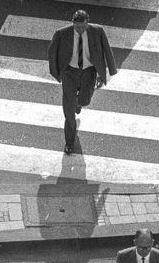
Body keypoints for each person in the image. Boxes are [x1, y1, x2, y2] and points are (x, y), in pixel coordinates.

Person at [47, 9, 117, 154]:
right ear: (73, 23)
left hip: (89, 72)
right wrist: (56, 72)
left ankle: (78, 104)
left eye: (84, 27)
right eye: (78, 27)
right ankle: (69, 142)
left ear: (88, 23)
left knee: (85, 100)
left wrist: (105, 73)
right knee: (68, 110)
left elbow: (106, 50)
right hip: (69, 72)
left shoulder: (97, 31)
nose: (81, 30)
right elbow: (52, 51)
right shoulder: (62, 33)